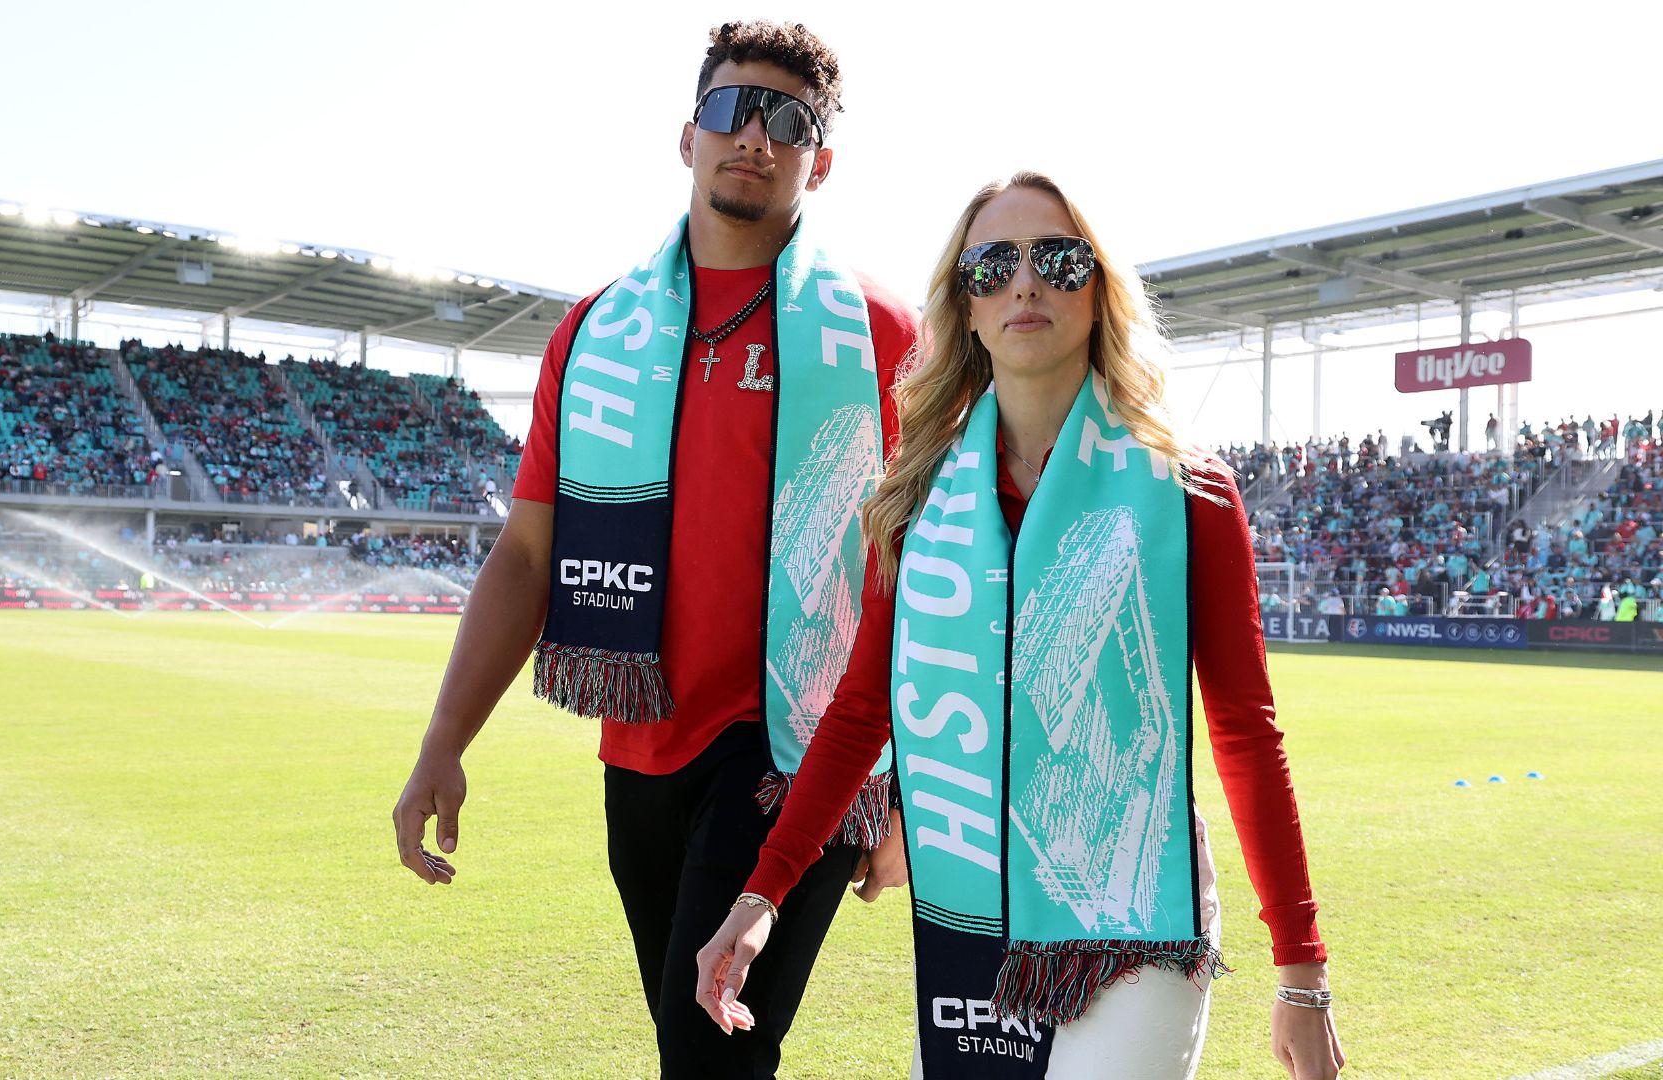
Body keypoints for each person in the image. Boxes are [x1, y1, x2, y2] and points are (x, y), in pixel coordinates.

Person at [695, 172, 1343, 1079]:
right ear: (964, 305)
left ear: (1100, 290)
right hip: (972, 907)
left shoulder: (1186, 491)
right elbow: (855, 716)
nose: (1024, 284)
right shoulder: (917, 498)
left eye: (1058, 259)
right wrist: (761, 894)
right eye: (993, 265)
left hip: (1131, 918)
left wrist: (1301, 971)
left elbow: (1243, 733)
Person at [391, 20, 919, 1079]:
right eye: (731, 109)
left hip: (796, 757)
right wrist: (442, 740)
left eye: (788, 122)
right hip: (640, 753)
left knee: (705, 1057)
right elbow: (528, 558)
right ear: (687, 136)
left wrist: (903, 788)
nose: (754, 137)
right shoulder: (595, 334)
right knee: (704, 1054)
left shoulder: (882, 335)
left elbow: (924, 579)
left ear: (823, 158)